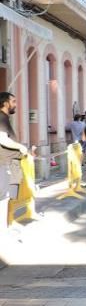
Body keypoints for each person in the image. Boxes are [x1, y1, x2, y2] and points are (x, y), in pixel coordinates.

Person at [0, 93, 29, 233]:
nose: (16, 104)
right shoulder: (1, 117)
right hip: (7, 163)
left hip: (12, 163)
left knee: (11, 196)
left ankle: (8, 222)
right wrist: (20, 147)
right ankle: (3, 228)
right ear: (5, 103)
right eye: (13, 101)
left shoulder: (5, 118)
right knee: (4, 197)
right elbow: (2, 139)